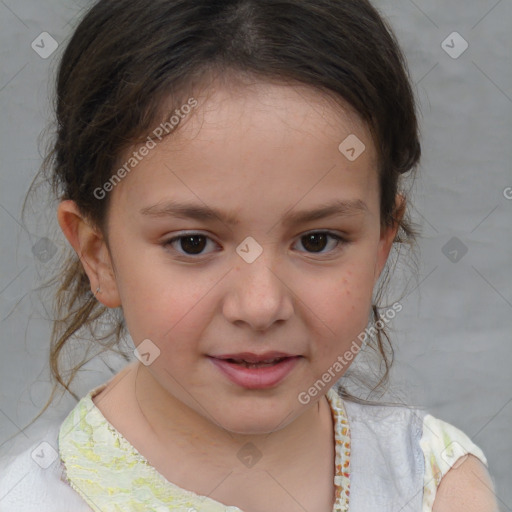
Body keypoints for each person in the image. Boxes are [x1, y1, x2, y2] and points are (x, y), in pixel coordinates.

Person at [0, 0, 499, 511]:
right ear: (98, 254)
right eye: (193, 243)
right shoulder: (34, 498)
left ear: (380, 244)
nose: (260, 306)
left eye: (317, 240)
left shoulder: (434, 486)